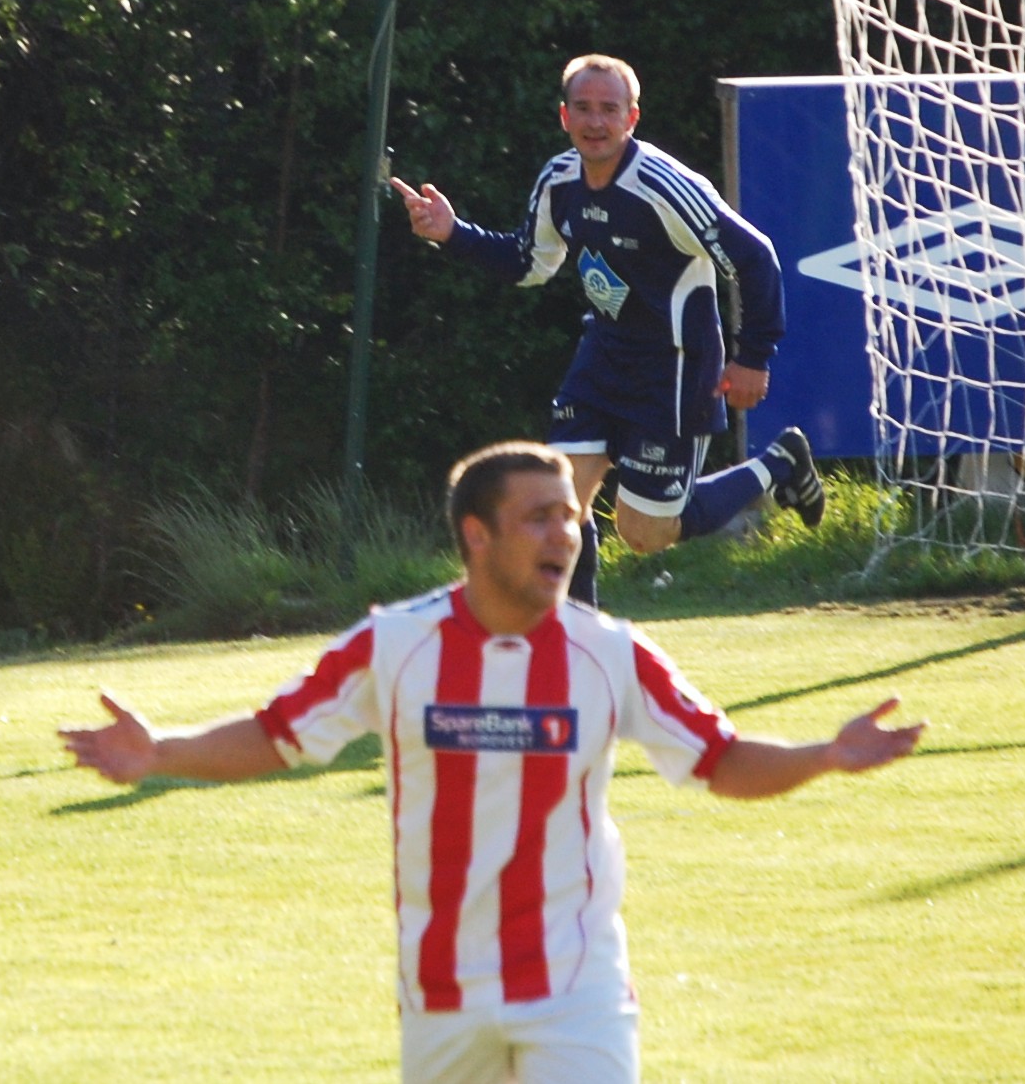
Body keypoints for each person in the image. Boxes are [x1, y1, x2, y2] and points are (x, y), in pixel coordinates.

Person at [59, 441, 922, 1083]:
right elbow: (279, 733)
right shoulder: (393, 645)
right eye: (539, 516)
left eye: (571, 516)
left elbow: (718, 759)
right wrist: (161, 751)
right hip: (443, 984)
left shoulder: (611, 654)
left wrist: (824, 754)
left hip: (576, 977)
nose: (567, 533)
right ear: (477, 534)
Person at [394, 54, 824, 608]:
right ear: (564, 116)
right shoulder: (560, 179)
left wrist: (753, 356)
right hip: (603, 358)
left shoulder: (664, 186)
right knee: (559, 505)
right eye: (584, 108)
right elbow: (531, 263)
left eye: (609, 109)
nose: (596, 122)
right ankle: (578, 642)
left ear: (632, 118)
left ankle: (779, 463)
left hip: (672, 370)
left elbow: (754, 256)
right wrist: (455, 233)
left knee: (645, 534)